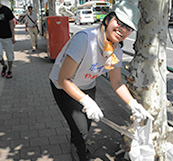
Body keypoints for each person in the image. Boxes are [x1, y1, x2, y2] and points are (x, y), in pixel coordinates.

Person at [49, 1, 153, 161]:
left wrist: (133, 104)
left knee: (86, 125)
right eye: (119, 22)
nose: (122, 30)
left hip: (87, 85)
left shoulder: (116, 50)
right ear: (107, 19)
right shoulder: (84, 39)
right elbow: (64, 79)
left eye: (128, 28)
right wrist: (86, 101)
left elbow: (117, 82)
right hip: (62, 86)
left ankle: (79, 144)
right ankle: (79, 154)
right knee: (81, 129)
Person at [0, 0, 15, 79]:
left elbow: (11, 23)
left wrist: (13, 36)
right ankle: (4, 66)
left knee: (9, 55)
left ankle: (9, 70)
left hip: (7, 37)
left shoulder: (6, 10)